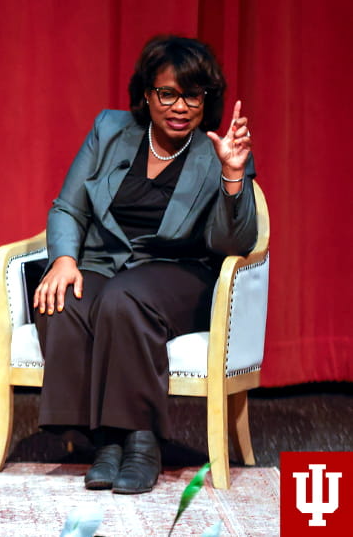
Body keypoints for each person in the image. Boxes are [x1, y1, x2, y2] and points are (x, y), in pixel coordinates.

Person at [32, 35, 256, 495]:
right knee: (63, 300)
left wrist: (232, 174)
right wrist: (64, 261)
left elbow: (233, 241)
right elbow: (68, 208)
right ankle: (104, 441)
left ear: (206, 100)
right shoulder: (110, 130)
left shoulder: (217, 151)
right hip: (106, 262)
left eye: (192, 95)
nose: (180, 107)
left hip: (180, 272)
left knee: (123, 298)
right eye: (167, 93)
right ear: (146, 93)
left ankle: (141, 443)